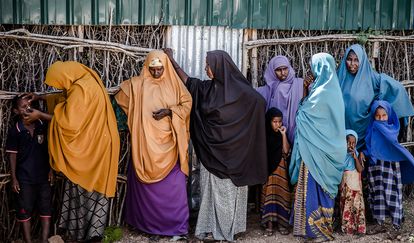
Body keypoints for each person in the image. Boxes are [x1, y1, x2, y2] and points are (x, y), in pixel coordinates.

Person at [164, 48, 267, 241]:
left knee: (228, 195)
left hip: (234, 158)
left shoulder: (244, 93)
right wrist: (172, 61)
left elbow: (259, 103)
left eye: (208, 65)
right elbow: (189, 82)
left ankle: (226, 231)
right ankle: (211, 228)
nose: (205, 68)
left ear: (220, 67)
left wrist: (243, 135)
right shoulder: (207, 89)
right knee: (210, 193)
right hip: (212, 154)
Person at [24, 61, 120, 241]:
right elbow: (67, 100)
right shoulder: (87, 79)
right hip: (100, 143)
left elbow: (70, 122)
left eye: (59, 83)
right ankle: (87, 233)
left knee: (87, 187)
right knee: (89, 187)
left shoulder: (80, 89)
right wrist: (41, 97)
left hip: (94, 148)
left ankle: (90, 234)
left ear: (64, 76)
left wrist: (40, 115)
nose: (60, 87)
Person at [114, 50, 192, 240]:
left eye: (160, 69)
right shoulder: (137, 85)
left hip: (170, 148)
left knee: (174, 190)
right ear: (147, 67)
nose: (157, 73)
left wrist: (169, 112)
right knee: (146, 192)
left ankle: (176, 227)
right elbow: (119, 100)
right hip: (145, 148)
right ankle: (147, 226)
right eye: (153, 69)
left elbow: (187, 105)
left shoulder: (175, 86)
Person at [289, 53, 346, 241]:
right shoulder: (332, 90)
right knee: (320, 187)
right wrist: (306, 91)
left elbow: (303, 115)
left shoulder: (322, 93)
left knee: (312, 186)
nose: (312, 71)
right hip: (326, 150)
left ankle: (312, 229)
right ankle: (320, 228)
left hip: (315, 151)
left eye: (314, 66)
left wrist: (305, 96)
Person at [337, 44, 414, 159]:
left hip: (363, 132)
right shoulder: (339, 77)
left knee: (362, 167)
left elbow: (397, 88)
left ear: (362, 61)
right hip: (342, 132)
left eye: (356, 60)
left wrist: (393, 111)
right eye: (349, 59)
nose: (352, 64)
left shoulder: (372, 79)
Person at [364, 100, 414, 235]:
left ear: (389, 115)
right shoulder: (372, 128)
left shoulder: (392, 129)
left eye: (384, 115)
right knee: (377, 192)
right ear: (373, 116)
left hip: (389, 165)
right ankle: (379, 222)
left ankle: (396, 223)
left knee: (392, 192)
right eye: (377, 116)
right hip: (375, 166)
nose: (380, 119)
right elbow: (370, 145)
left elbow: (394, 145)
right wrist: (364, 153)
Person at [6, 94, 53, 243]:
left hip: (44, 176)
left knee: (45, 207)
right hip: (24, 179)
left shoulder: (41, 125)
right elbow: (12, 156)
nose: (27, 108)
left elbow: (50, 148)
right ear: (15, 111)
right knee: (24, 210)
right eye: (23, 107)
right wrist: (14, 178)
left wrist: (51, 169)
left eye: (29, 106)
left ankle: (44, 240)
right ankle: (28, 241)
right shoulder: (16, 130)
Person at [256, 55, 304, 144]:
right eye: (278, 70)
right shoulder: (266, 90)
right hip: (275, 136)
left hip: (297, 132)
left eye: (285, 69)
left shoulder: (300, 84)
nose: (283, 72)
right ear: (272, 71)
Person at [260, 107, 291, 236]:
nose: (277, 125)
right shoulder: (264, 136)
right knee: (269, 194)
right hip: (268, 172)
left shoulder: (281, 136)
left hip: (281, 172)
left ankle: (282, 223)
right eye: (274, 122)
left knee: (282, 195)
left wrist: (283, 135)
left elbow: (286, 151)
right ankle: (269, 224)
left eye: (280, 122)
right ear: (269, 122)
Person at [339, 129, 366, 235]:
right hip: (345, 184)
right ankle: (347, 228)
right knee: (346, 205)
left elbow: (360, 169)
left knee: (357, 205)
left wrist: (355, 158)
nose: (351, 145)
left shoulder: (357, 154)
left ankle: (359, 228)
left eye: (353, 143)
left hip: (355, 185)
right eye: (348, 142)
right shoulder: (340, 156)